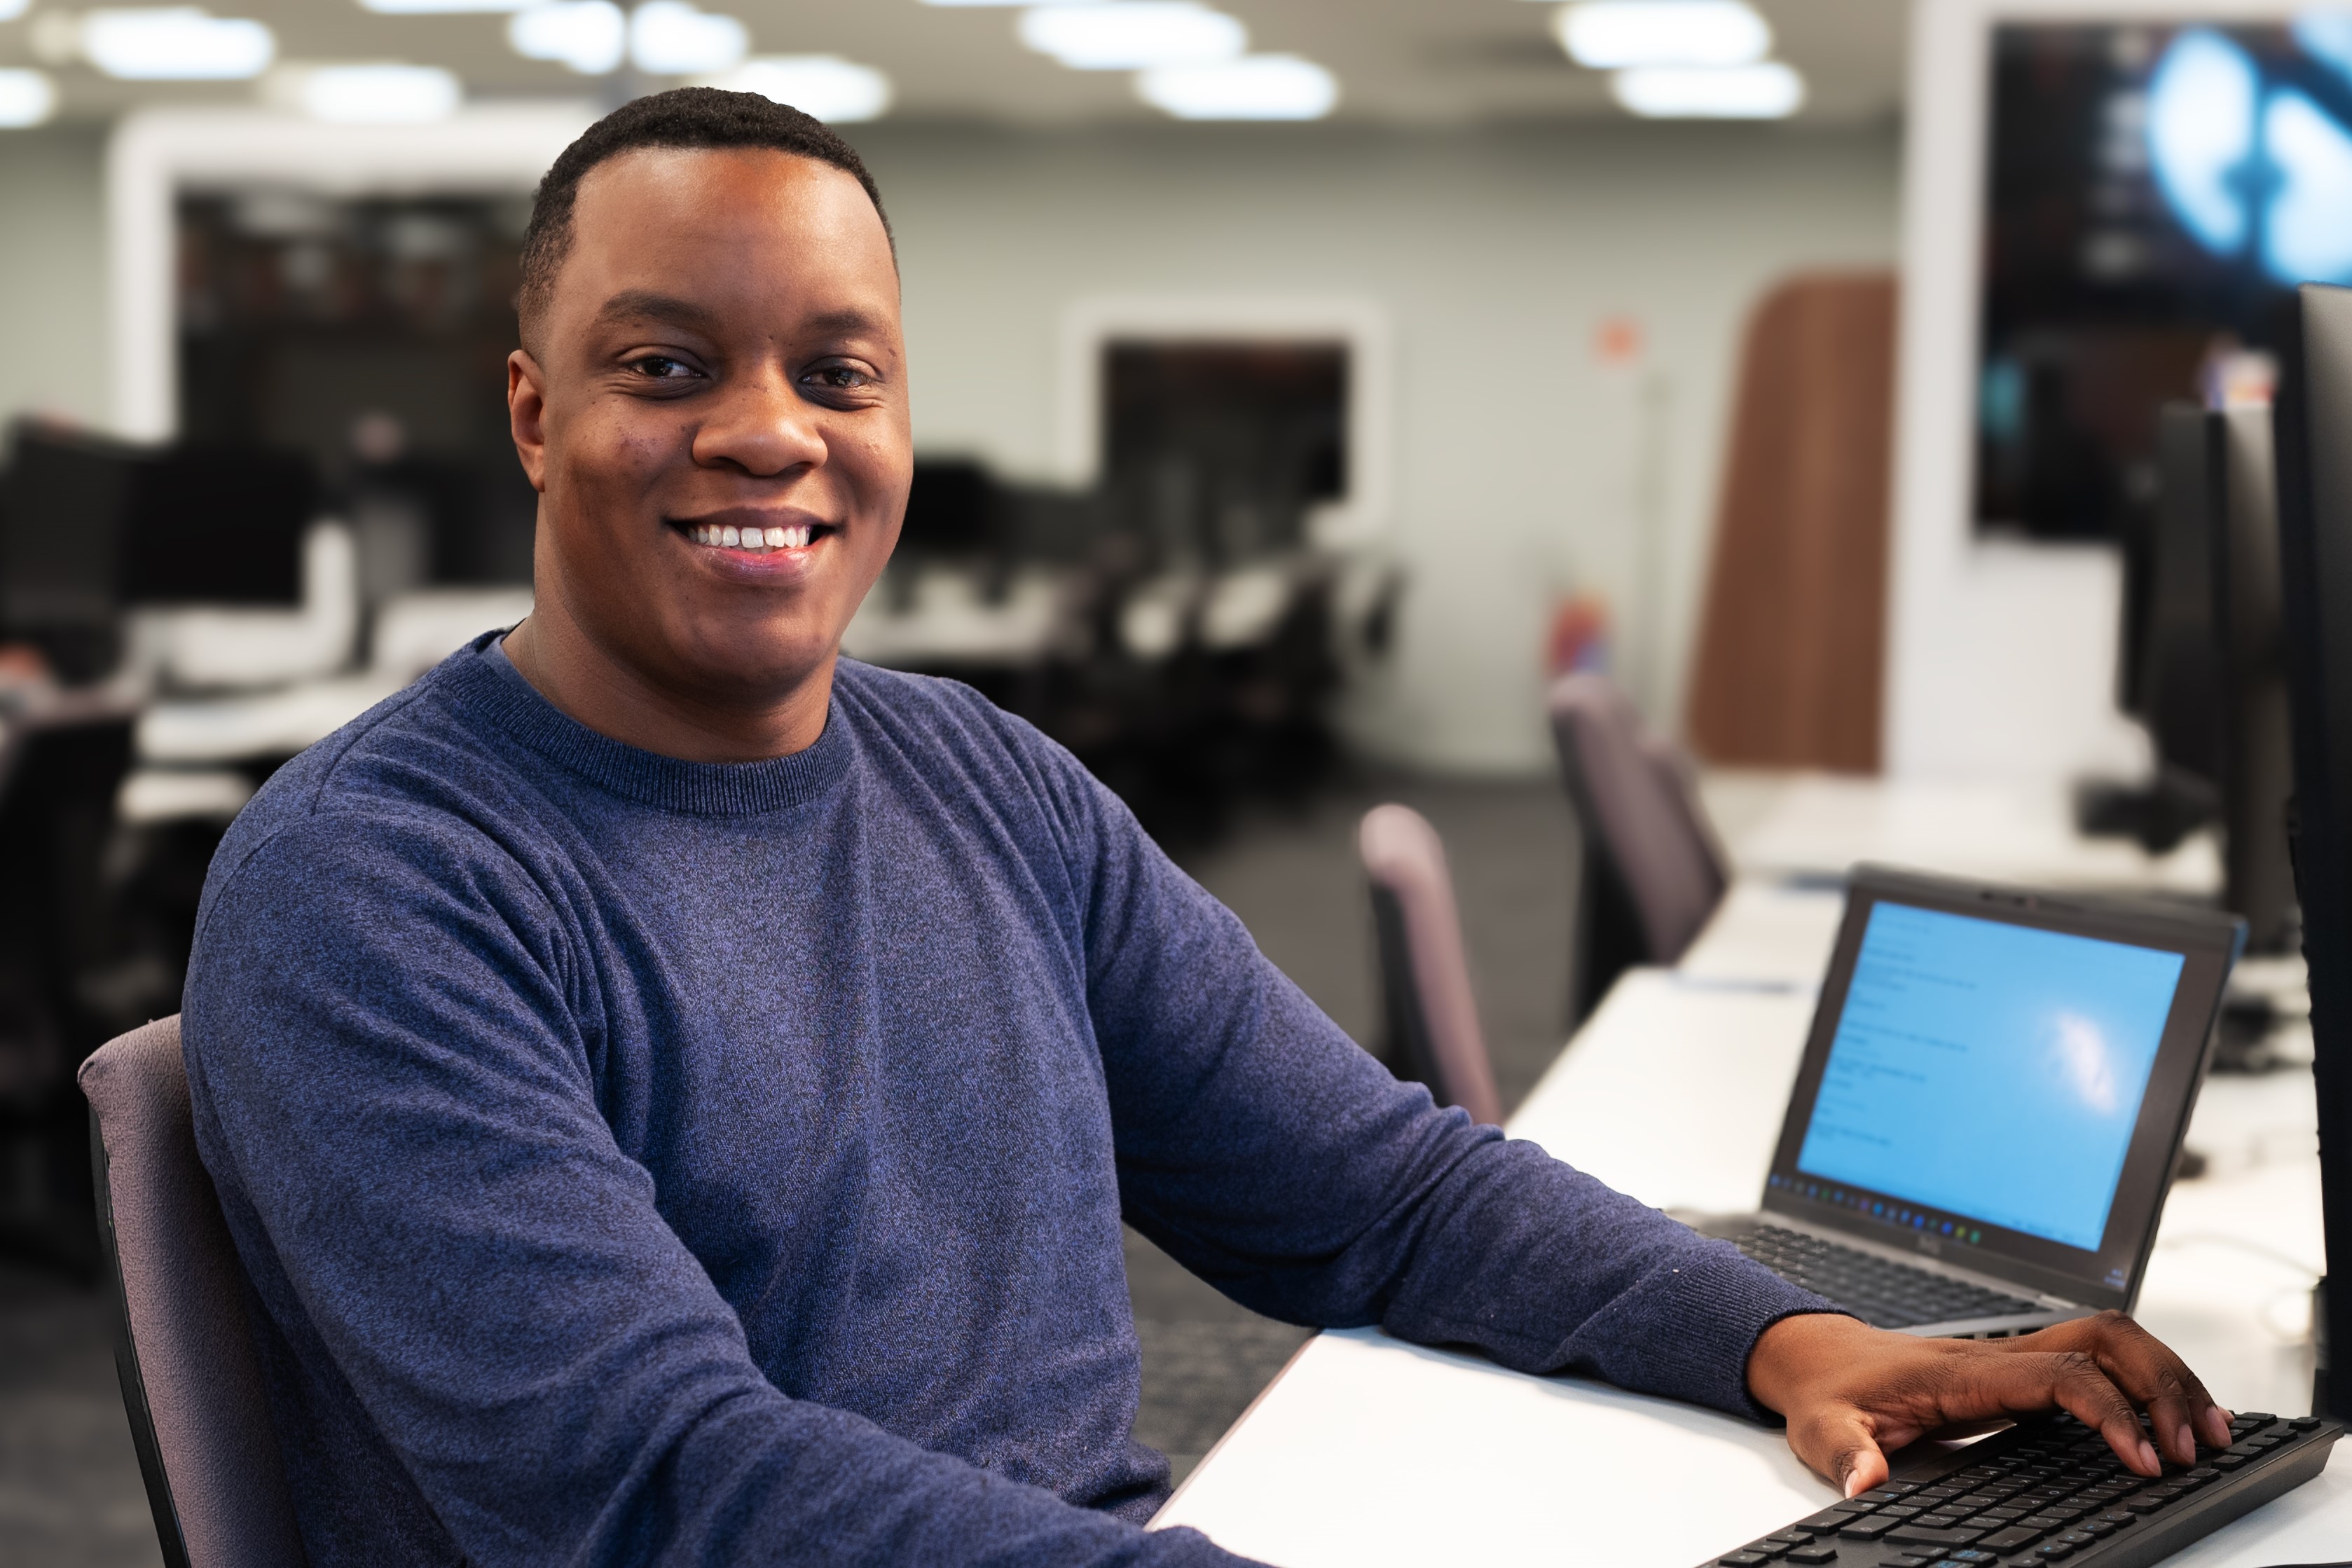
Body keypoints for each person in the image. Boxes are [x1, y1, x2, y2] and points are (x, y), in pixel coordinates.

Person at [181, 89, 2233, 1568]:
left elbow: (1377, 1189)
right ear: (534, 413)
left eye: (839, 367)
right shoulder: (377, 888)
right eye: (665, 364)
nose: (767, 431)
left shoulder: (979, 782)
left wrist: (1795, 1337)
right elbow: (659, 1488)